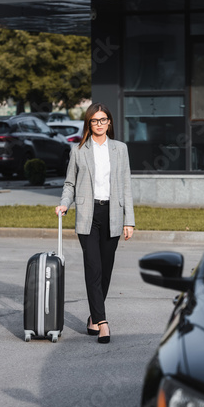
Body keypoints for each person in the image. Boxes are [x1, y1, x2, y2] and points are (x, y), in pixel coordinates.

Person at [55, 102, 135, 344]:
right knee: (94, 269)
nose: (99, 124)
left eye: (103, 120)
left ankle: (92, 317)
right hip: (88, 216)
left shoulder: (120, 149)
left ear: (109, 122)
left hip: (112, 213)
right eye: (94, 120)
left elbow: (126, 186)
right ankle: (103, 323)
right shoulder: (79, 151)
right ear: (88, 124)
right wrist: (64, 204)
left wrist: (129, 220)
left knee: (106, 271)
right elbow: (69, 184)